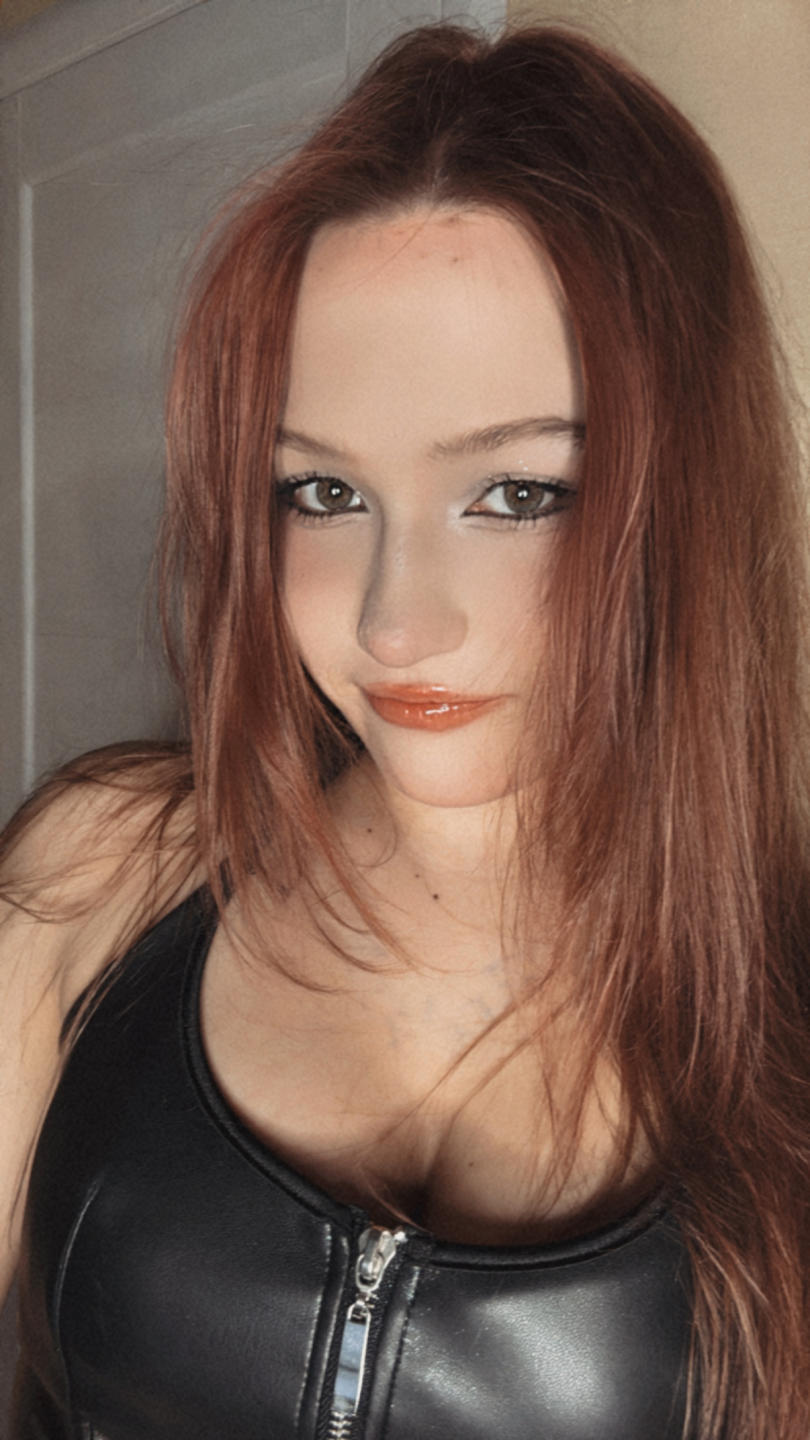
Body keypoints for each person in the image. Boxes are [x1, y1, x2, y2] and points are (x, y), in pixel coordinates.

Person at [1, 20, 809, 1440]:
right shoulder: (98, 877)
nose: (392, 626)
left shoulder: (783, 1008)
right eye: (322, 494)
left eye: (518, 494)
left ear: (683, 499)